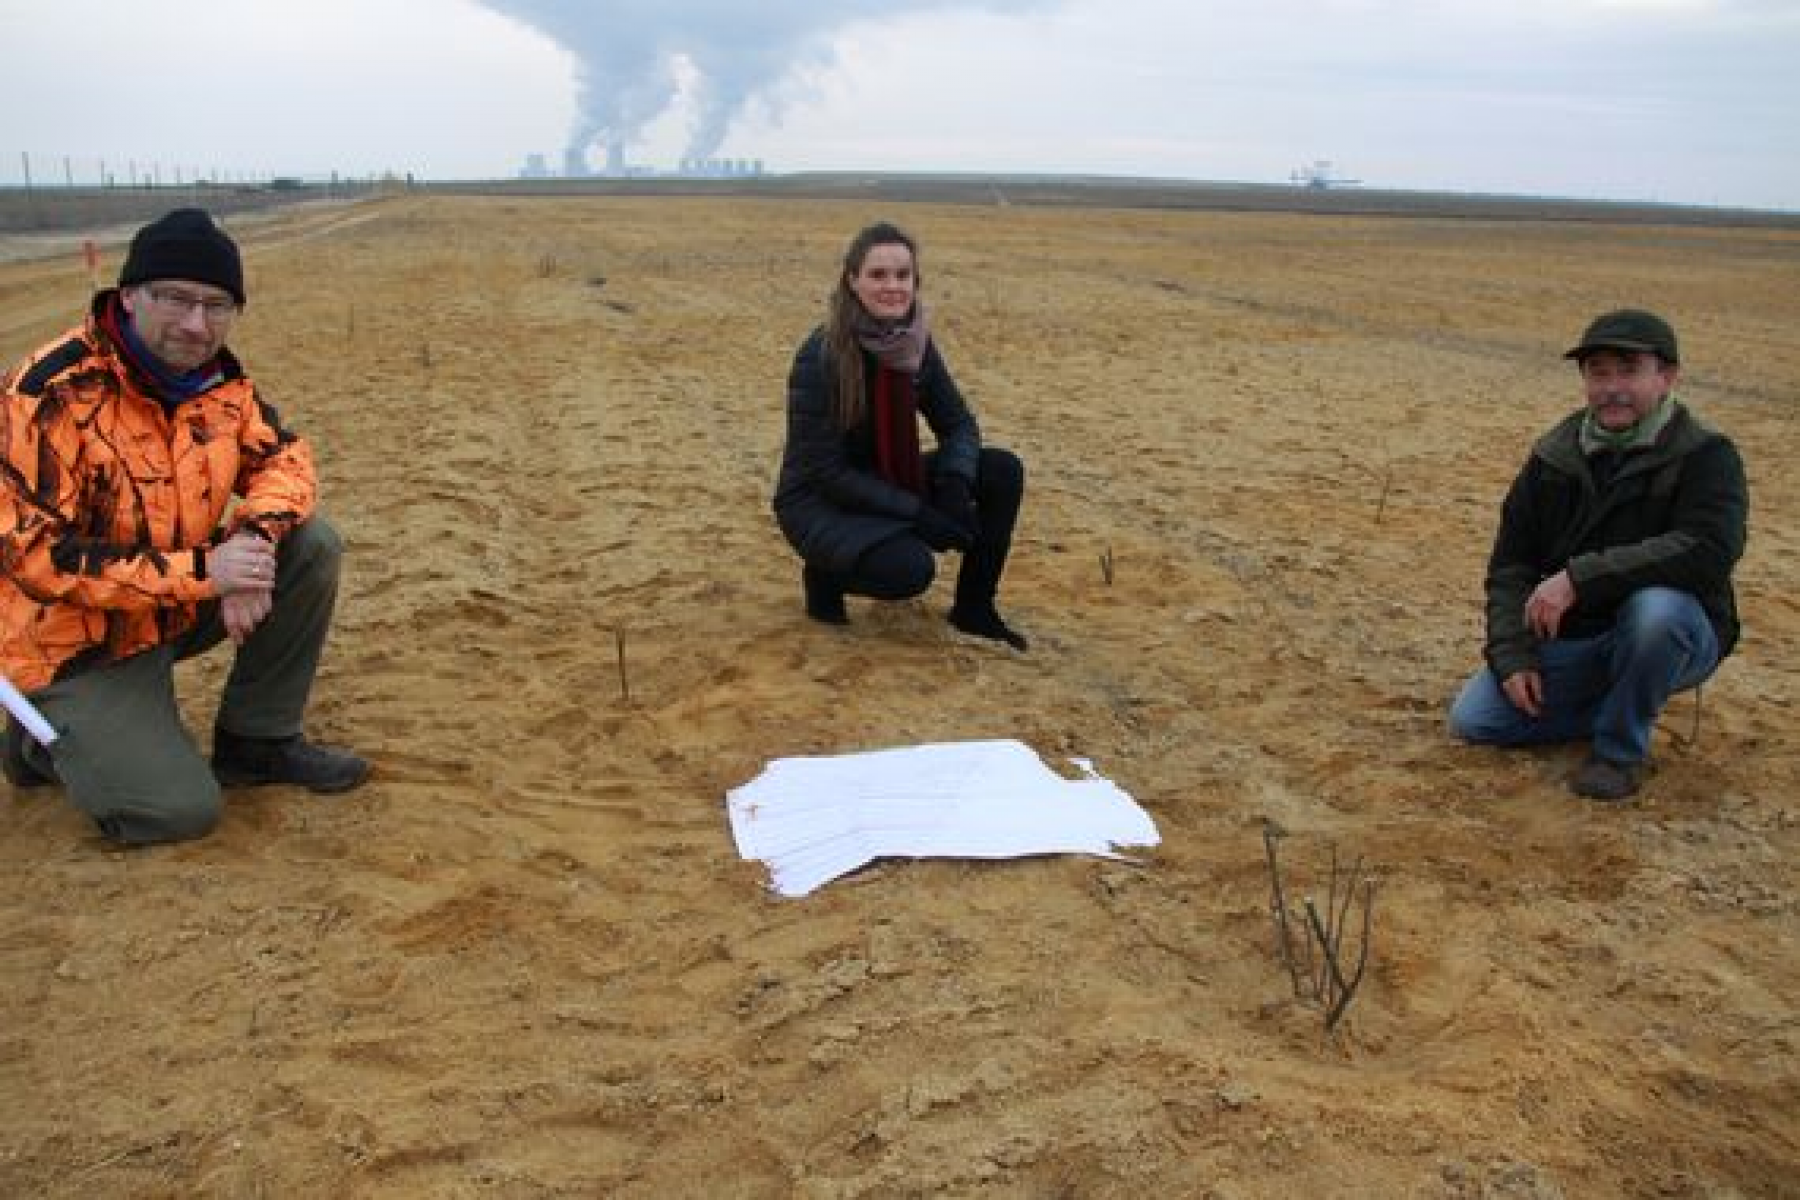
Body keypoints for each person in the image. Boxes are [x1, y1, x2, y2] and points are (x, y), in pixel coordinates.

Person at [0, 208, 369, 844]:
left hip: (166, 609)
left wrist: (254, 540)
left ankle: (257, 744)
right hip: (66, 644)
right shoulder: (49, 394)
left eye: (217, 305)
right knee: (175, 813)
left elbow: (285, 457)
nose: (197, 325)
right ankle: (35, 737)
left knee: (309, 545)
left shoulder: (219, 385)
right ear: (128, 296)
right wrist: (207, 573)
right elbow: (36, 560)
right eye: (175, 299)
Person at [1449, 309, 1748, 801]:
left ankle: (1618, 752)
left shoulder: (1706, 455)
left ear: (1667, 376)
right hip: (1583, 635)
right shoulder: (1554, 457)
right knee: (1474, 720)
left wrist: (1578, 578)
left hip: (1677, 631)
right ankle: (1620, 695)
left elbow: (1709, 549)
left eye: (1628, 371)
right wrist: (1513, 655)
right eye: (1598, 373)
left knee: (1655, 611)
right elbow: (1511, 567)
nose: (1612, 387)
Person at [774, 221, 1028, 649]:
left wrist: (953, 482)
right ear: (852, 281)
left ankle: (974, 608)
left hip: (885, 477)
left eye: (902, 275)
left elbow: (959, 424)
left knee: (1001, 470)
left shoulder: (915, 345)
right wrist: (919, 513)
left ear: (915, 281)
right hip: (819, 499)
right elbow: (826, 472)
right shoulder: (821, 355)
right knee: (907, 571)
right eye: (877, 275)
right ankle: (824, 574)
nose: (892, 286)